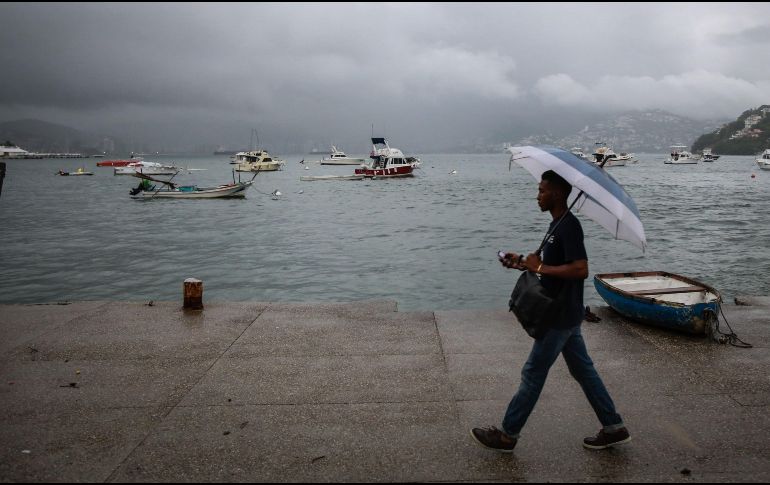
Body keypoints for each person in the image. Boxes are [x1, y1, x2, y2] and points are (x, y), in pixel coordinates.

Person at [470, 170, 630, 453]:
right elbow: (548, 269)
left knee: (533, 373)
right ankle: (614, 427)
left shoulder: (569, 226)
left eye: (542, 191)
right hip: (567, 314)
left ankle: (508, 435)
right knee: (584, 371)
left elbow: (581, 269)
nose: (538, 195)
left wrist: (540, 267)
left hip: (559, 316)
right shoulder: (557, 225)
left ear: (556, 194)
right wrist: (521, 261)